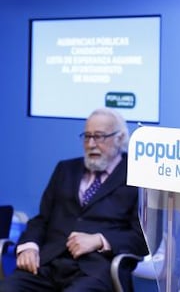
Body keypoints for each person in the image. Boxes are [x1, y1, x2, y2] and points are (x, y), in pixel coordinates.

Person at [0, 108, 148, 291]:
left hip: (94, 269)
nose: (91, 144)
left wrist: (100, 240)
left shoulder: (137, 176)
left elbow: (142, 238)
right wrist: (28, 247)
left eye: (99, 136)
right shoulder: (65, 169)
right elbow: (42, 219)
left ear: (119, 138)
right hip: (47, 263)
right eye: (87, 136)